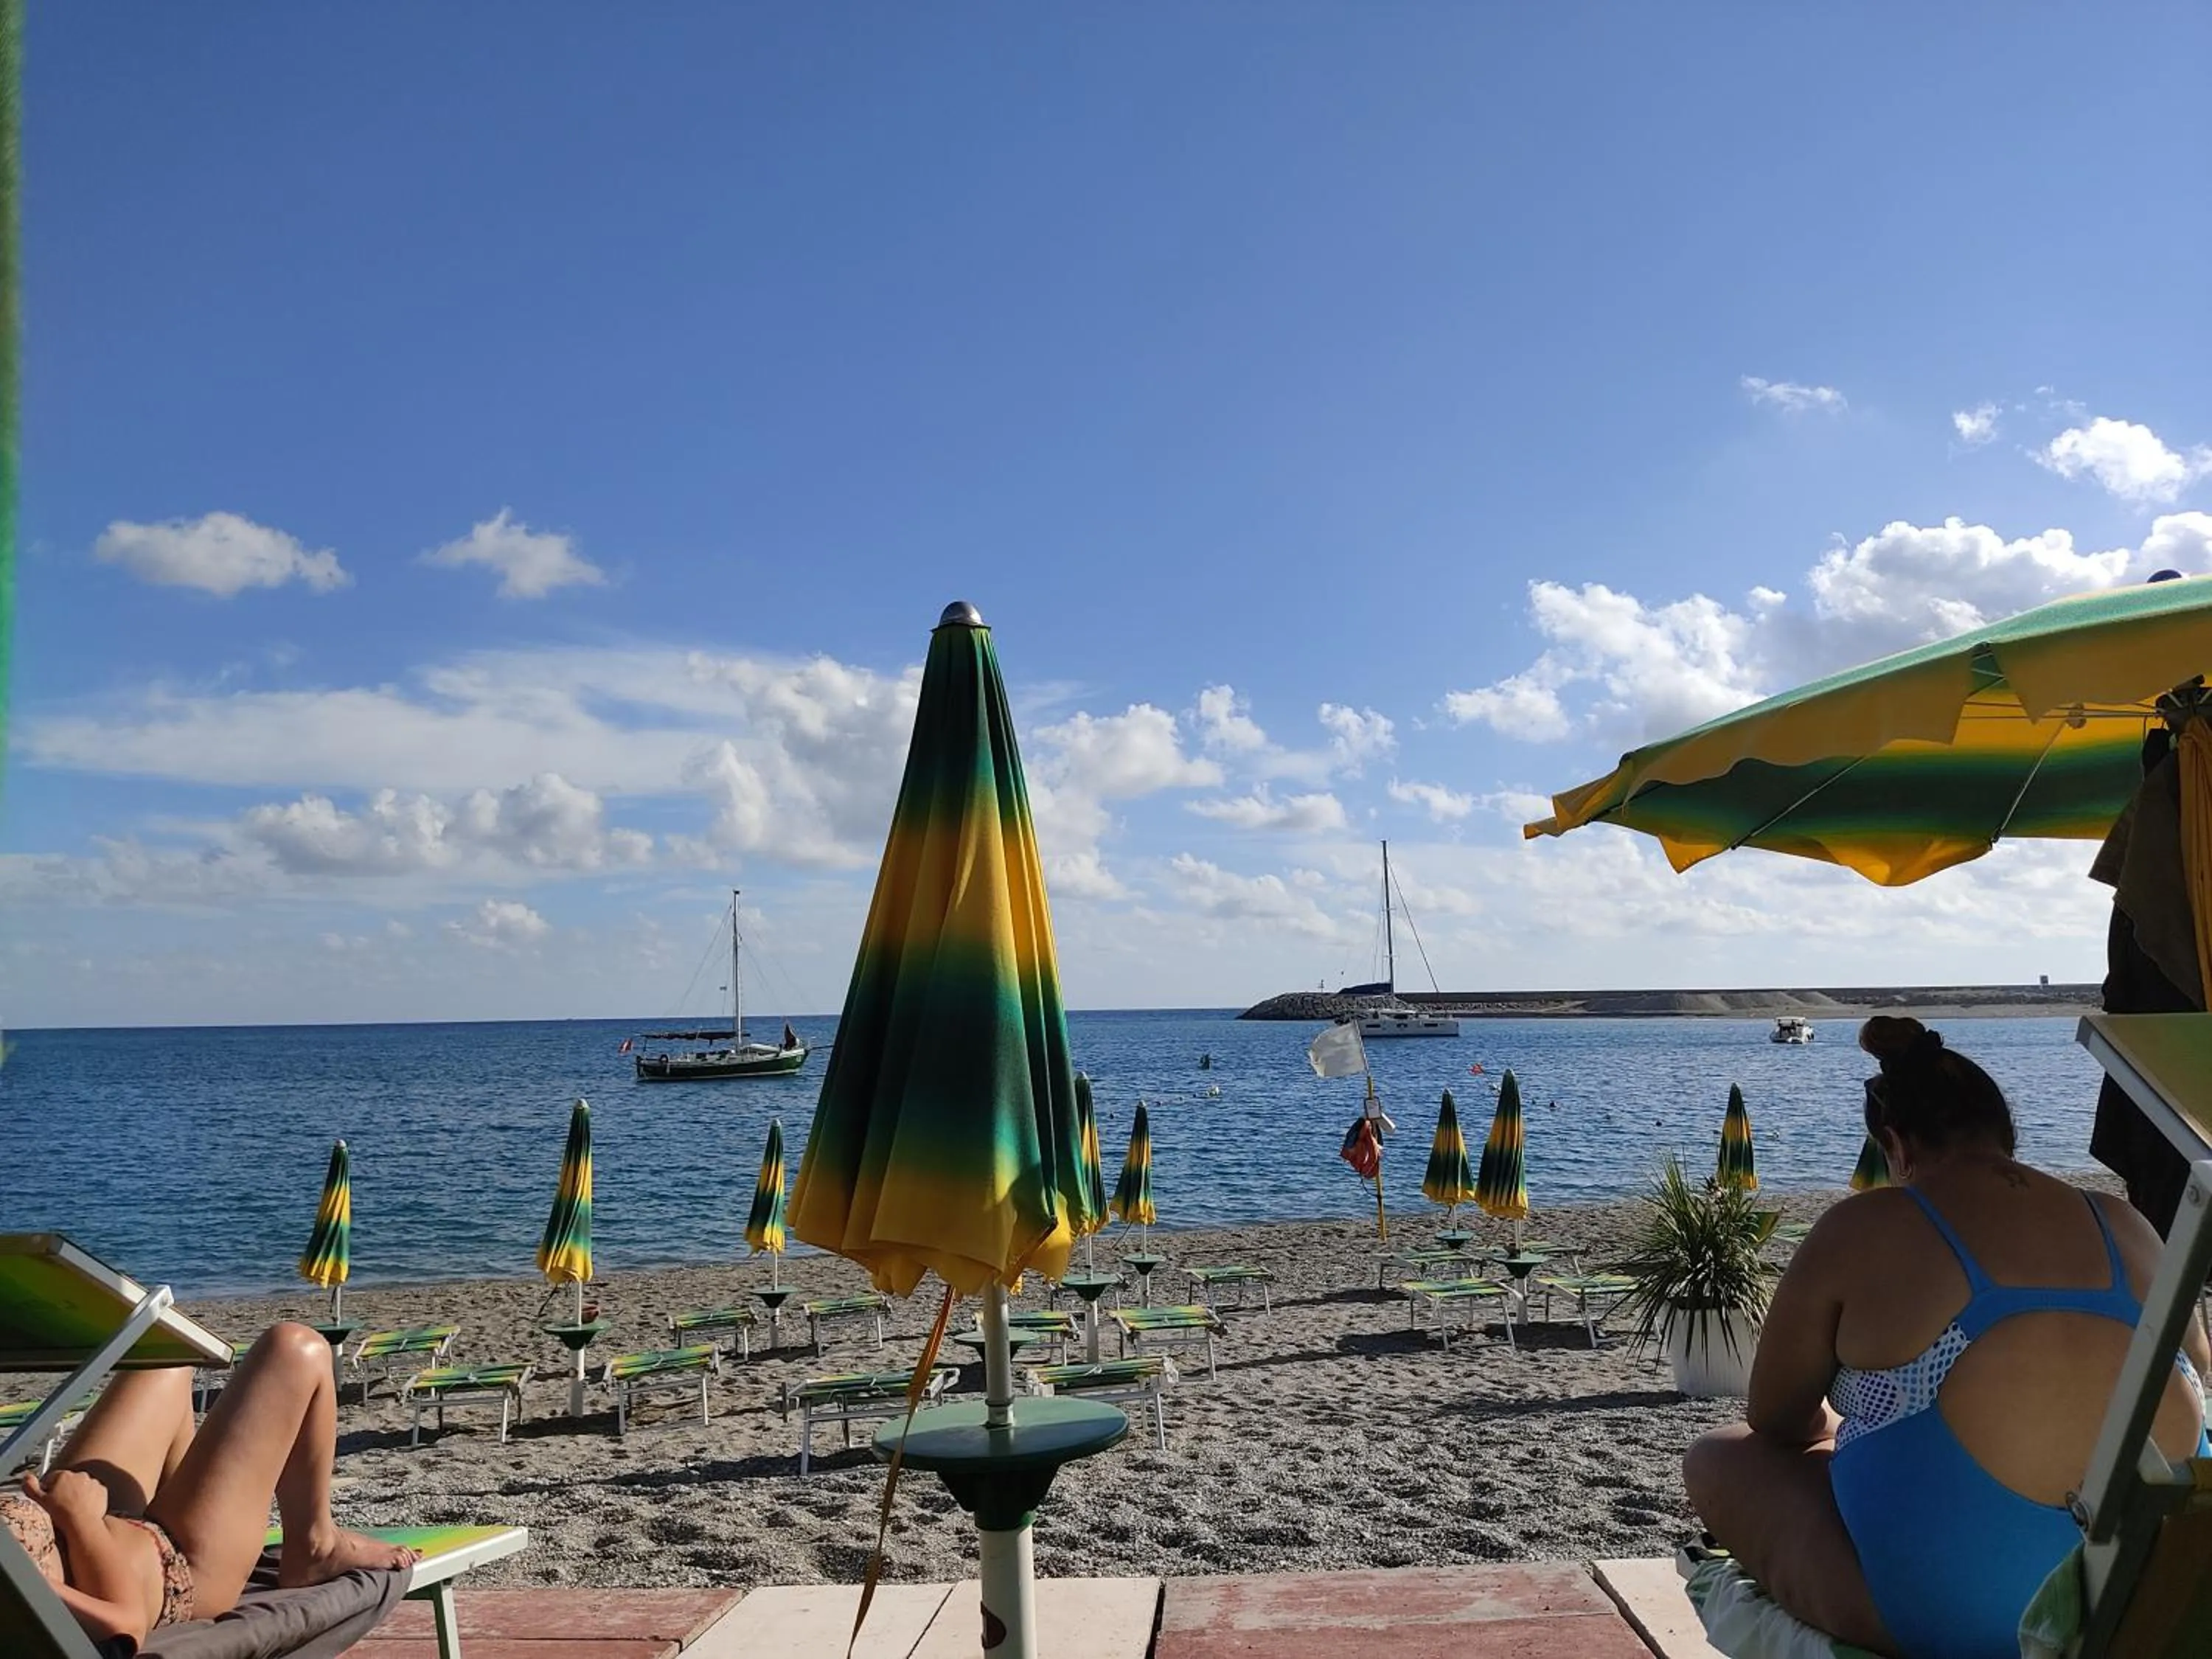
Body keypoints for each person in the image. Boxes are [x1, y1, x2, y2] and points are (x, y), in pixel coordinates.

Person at [1683, 1017, 2209, 1659]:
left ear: (1896, 1145)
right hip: (2143, 1593)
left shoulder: (1863, 1226)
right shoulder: (2125, 1223)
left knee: (1721, 1455)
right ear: (2008, 1136)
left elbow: (1775, 1420)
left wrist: (1844, 1430)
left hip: (1955, 1615)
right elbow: (2197, 1375)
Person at [1, 1321, 417, 1647]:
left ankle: (191, 1495)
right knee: (297, 1349)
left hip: (84, 1513)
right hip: (174, 1568)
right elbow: (123, 1626)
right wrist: (81, 1521)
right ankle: (315, 1547)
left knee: (164, 1352)